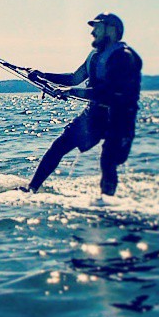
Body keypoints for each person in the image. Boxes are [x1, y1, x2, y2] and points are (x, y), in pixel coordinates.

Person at [22, 12, 142, 197]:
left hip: (120, 117)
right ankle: (31, 189)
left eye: (97, 27)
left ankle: (107, 204)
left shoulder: (123, 57)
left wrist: (70, 92)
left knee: (108, 160)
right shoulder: (95, 55)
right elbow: (74, 78)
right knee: (59, 146)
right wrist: (43, 75)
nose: (92, 32)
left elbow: (109, 93)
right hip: (95, 114)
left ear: (111, 29)